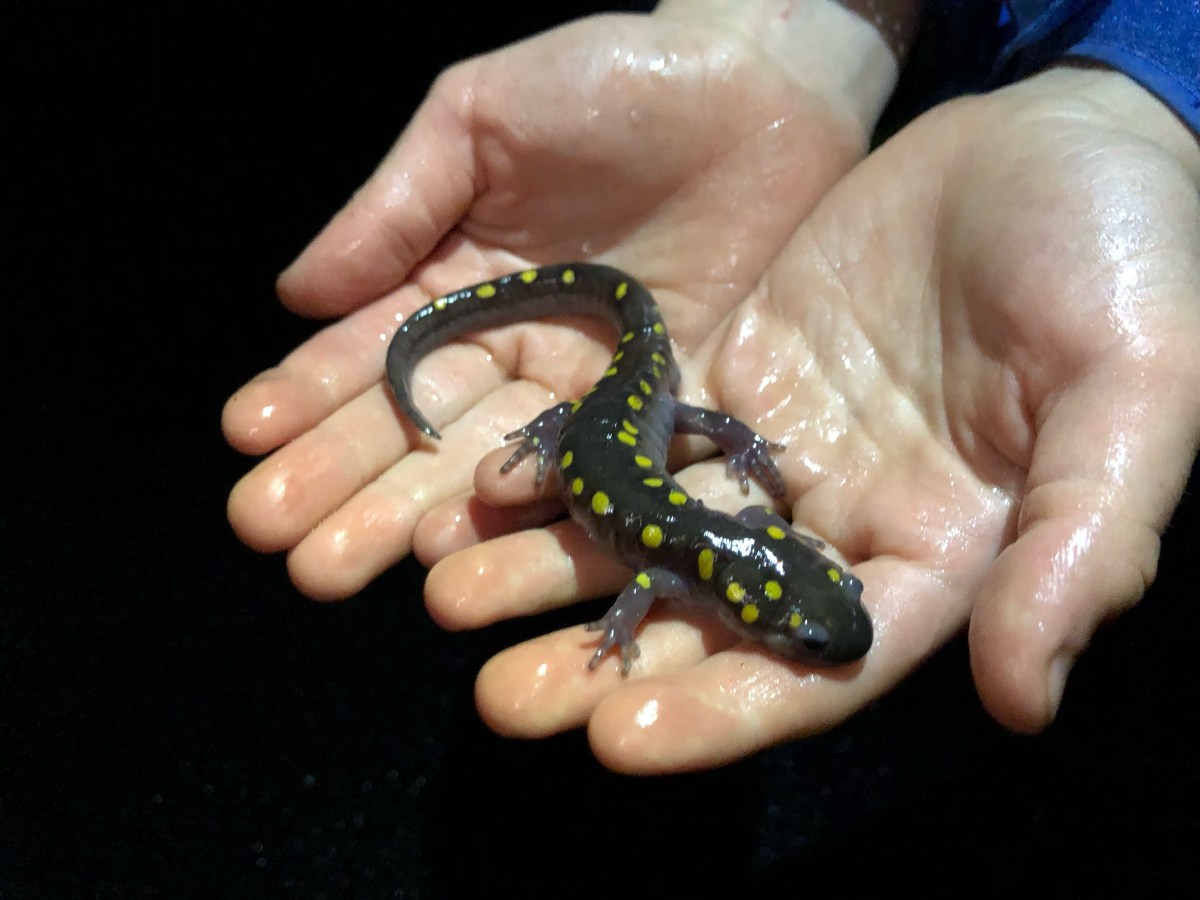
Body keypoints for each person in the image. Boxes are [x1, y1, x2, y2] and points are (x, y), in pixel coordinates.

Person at [222, 0, 1200, 773]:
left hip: (634, 403)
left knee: (628, 410)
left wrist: (1144, 98)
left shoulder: (696, 561)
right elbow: (647, 578)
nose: (821, 636)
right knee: (609, 409)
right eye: (812, 629)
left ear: (773, 558)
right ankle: (516, 385)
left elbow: (651, 575)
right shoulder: (690, 566)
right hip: (624, 400)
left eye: (816, 620)